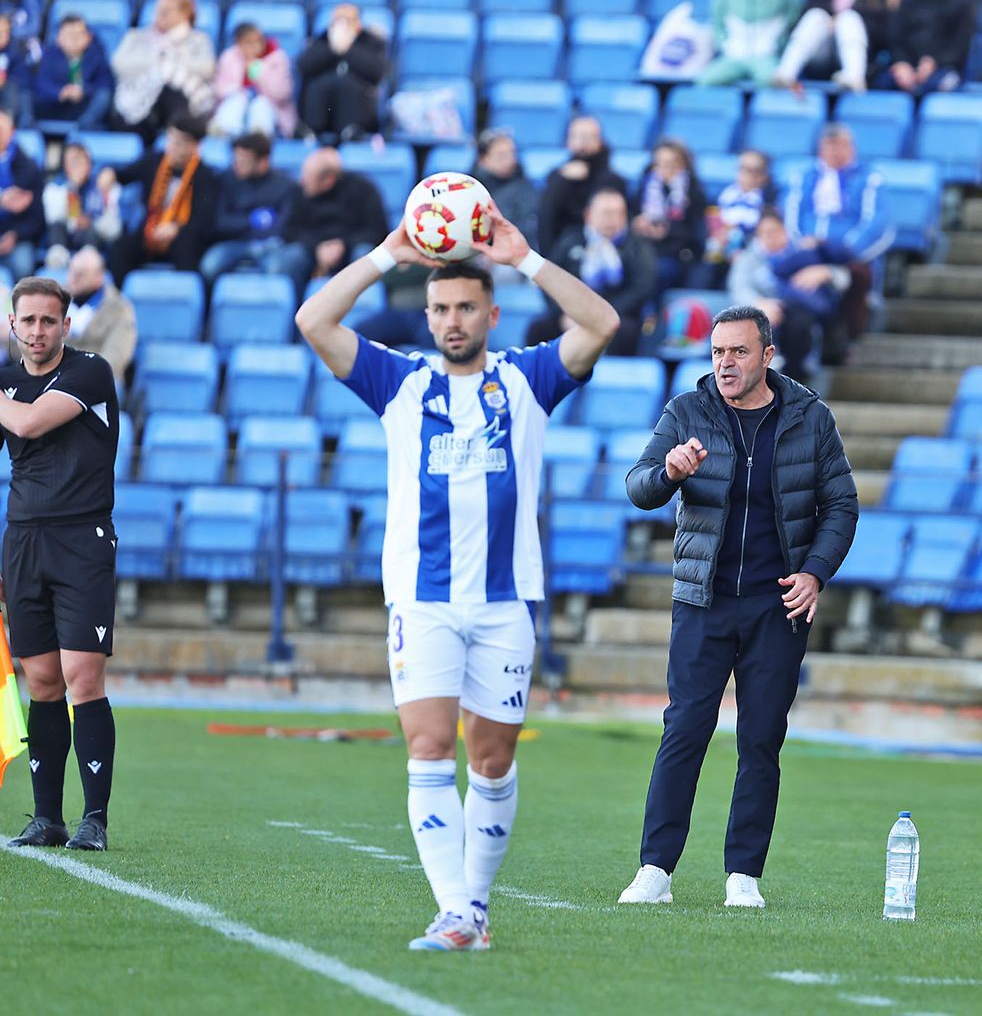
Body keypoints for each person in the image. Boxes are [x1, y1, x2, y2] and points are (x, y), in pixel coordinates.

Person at [294, 205, 620, 951]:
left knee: (494, 759)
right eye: (440, 307)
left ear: (491, 312)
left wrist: (527, 256)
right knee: (429, 747)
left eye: (465, 306)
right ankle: (456, 910)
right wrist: (385, 254)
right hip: (423, 599)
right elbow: (314, 319)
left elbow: (601, 322)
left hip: (506, 601)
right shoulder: (399, 384)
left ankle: (474, 904)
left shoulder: (529, 378)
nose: (450, 319)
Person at [617, 304, 858, 909]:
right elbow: (638, 486)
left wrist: (815, 573)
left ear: (767, 356)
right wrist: (669, 472)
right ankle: (655, 871)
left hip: (778, 605)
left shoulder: (809, 416)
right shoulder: (686, 410)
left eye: (738, 352)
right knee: (685, 730)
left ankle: (743, 876)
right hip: (703, 599)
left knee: (761, 739)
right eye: (718, 352)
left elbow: (841, 506)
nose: (725, 364)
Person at [1, 276, 121, 853]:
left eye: (50, 320)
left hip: (82, 539)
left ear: (66, 325)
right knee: (42, 681)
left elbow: (26, 423)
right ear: (13, 324)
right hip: (23, 541)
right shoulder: (5, 381)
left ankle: (93, 819)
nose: (39, 331)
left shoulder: (89, 371)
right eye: (28, 321)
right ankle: (46, 817)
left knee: (81, 677)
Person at [783, 124, 891, 347]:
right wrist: (808, 247)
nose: (835, 151)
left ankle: (843, 342)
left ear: (852, 148)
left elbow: (877, 225)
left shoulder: (870, 179)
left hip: (850, 259)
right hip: (807, 255)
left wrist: (839, 252)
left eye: (841, 145)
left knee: (854, 277)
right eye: (829, 146)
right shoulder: (804, 178)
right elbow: (791, 218)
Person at [728, 207, 848, 384]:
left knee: (801, 320)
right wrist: (759, 304)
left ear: (784, 230)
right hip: (764, 317)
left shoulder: (803, 251)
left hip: (803, 317)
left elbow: (844, 279)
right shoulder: (748, 259)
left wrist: (826, 272)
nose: (769, 237)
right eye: (763, 233)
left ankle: (799, 375)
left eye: (774, 231)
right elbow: (738, 287)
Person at [532, 188, 655, 357]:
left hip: (617, 317)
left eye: (618, 213)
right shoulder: (570, 241)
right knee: (539, 328)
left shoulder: (637, 247)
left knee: (627, 333)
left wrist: (602, 317)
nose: (612, 219)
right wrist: (564, 314)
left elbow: (642, 287)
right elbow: (548, 279)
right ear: (588, 215)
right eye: (606, 213)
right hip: (571, 314)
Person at [106, 116, 218, 285]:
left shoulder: (205, 175)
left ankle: (183, 303)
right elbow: (124, 174)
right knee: (120, 251)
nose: (171, 147)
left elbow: (203, 218)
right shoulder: (154, 161)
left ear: (194, 146)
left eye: (179, 143)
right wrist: (110, 174)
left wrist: (176, 228)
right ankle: (119, 301)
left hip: (182, 235)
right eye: (170, 140)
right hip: (151, 228)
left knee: (188, 252)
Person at [773, 0, 892, 93]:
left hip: (860, 54)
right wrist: (829, 23)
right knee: (816, 16)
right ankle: (786, 73)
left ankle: (853, 76)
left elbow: (882, 37)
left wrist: (842, 22)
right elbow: (801, 22)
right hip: (819, 54)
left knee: (848, 18)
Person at [198, 132, 301, 286]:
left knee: (278, 270)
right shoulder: (226, 180)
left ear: (263, 161)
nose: (236, 164)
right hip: (234, 243)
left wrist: (245, 225)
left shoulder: (286, 185)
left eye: (243, 160)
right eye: (235, 159)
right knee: (210, 265)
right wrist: (253, 221)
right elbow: (220, 222)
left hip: (272, 246)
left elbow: (284, 226)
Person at [111, 0, 215, 141]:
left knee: (172, 90)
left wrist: (168, 66)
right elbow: (119, 64)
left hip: (180, 102)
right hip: (137, 98)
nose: (160, 14)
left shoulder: (199, 39)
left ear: (184, 13)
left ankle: (176, 141)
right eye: (158, 9)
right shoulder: (136, 36)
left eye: (167, 10)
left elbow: (206, 68)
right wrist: (158, 63)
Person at [281, 146, 388, 286]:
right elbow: (289, 231)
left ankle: (362, 304)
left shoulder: (363, 189)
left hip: (352, 250)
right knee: (291, 257)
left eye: (308, 177)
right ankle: (295, 306)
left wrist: (343, 244)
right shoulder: (298, 192)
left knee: (364, 255)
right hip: (312, 251)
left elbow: (377, 230)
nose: (302, 181)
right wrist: (317, 247)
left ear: (328, 180)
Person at [698, 0, 803, 88]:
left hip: (767, 56)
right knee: (705, 80)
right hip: (732, 55)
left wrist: (780, 47)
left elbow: (794, 21)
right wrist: (724, 43)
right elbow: (717, 21)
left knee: (772, 82)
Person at [882, 0, 976, 96]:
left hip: (944, 67)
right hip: (909, 66)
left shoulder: (960, 2)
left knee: (940, 85)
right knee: (881, 84)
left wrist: (934, 61)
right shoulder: (908, 0)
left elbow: (960, 44)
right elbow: (896, 38)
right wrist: (902, 63)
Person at [537, 115, 627, 255]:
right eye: (577, 136)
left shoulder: (614, 181)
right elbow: (546, 220)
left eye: (588, 137)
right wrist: (561, 181)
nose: (582, 143)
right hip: (562, 253)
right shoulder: (557, 177)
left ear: (600, 141)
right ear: (568, 140)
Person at [297, 3, 387, 143]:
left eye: (347, 20)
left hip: (355, 108)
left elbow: (377, 71)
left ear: (358, 23)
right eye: (338, 20)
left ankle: (351, 131)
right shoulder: (322, 39)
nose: (342, 24)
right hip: (323, 107)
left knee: (349, 85)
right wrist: (332, 49)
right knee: (318, 85)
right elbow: (304, 66)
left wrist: (348, 49)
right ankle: (311, 131)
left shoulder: (371, 42)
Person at [632, 138, 706, 294]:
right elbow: (630, 215)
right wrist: (637, 224)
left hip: (676, 253)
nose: (665, 169)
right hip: (642, 247)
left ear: (683, 164)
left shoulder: (693, 191)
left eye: (671, 163)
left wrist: (666, 231)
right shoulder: (645, 184)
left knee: (657, 271)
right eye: (659, 163)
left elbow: (696, 232)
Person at [63, 245, 136, 390]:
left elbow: (115, 358)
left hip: (96, 380)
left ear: (99, 277)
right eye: (71, 271)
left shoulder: (119, 308)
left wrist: (73, 376)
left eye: (81, 274)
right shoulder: (56, 301)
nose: (73, 279)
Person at [701, 148, 775, 285]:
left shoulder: (769, 201)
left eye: (756, 171)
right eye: (744, 169)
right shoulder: (725, 195)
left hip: (748, 251)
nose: (749, 175)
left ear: (765, 175)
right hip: (719, 248)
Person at [43, 141, 121, 270]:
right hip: (64, 236)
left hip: (95, 238)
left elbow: (113, 230)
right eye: (73, 161)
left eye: (82, 159)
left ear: (90, 163)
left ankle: (88, 263)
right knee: (56, 228)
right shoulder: (55, 187)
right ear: (64, 165)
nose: (78, 165)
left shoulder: (105, 187)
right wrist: (73, 187)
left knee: (90, 232)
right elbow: (53, 217)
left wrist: (92, 222)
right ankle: (57, 263)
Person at [211, 22, 297, 139]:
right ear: (239, 43)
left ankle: (259, 135)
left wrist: (259, 72)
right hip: (237, 106)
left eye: (259, 40)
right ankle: (224, 130)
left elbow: (281, 94)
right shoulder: (229, 56)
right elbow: (219, 90)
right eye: (249, 42)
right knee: (236, 101)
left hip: (272, 112)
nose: (256, 45)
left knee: (260, 104)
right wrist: (237, 90)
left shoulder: (277, 58)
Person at [32, 14, 112, 129]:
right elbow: (42, 83)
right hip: (55, 106)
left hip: (84, 107)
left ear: (89, 37)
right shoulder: (49, 56)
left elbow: (105, 84)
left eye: (79, 35)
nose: (74, 40)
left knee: (103, 97)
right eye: (69, 35)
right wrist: (61, 92)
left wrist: (83, 91)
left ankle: (83, 128)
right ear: (58, 38)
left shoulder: (97, 56)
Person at [471, 128, 539, 249]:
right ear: (482, 159)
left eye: (512, 153)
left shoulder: (525, 187)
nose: (510, 160)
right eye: (501, 155)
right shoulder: (467, 188)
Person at [0, 108, 43, 281]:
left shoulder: (29, 169)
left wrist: (15, 235)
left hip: (17, 237)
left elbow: (37, 218)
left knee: (23, 266)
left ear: (12, 133)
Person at [0, 13, 31, 127]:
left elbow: (23, 79)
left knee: (15, 90)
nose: (2, 35)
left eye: (5, 31)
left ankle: (8, 126)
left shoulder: (16, 50)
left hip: (8, 93)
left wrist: (5, 80)